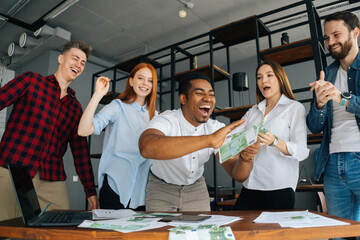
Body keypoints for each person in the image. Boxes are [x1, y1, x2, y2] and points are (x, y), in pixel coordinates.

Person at [0, 40, 99, 221]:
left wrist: (90, 191)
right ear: (61, 58)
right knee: (6, 228)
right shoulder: (30, 81)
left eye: (82, 63)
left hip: (51, 176)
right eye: (75, 58)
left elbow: (81, 153)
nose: (78, 64)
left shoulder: (75, 107)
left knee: (58, 229)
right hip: (12, 168)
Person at [139, 72, 259, 212]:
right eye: (199, 93)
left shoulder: (216, 128)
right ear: (183, 98)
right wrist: (209, 140)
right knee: (159, 232)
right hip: (161, 188)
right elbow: (146, 147)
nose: (207, 99)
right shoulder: (167, 119)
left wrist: (246, 159)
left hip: (196, 189)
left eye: (211, 94)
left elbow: (237, 174)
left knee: (200, 232)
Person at [78, 63, 157, 210]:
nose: (145, 83)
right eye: (141, 78)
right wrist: (98, 95)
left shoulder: (156, 117)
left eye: (150, 80)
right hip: (115, 186)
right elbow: (83, 130)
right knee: (110, 233)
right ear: (131, 81)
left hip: (142, 193)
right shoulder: (117, 106)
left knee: (138, 233)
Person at [233, 60, 309, 210]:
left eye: (269, 75)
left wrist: (275, 141)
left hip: (278, 189)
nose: (263, 81)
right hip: (250, 186)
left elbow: (301, 151)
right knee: (238, 231)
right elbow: (234, 136)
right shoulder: (253, 111)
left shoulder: (294, 108)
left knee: (274, 234)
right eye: (259, 77)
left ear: (280, 79)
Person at [307, 11, 360, 224]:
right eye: (327, 38)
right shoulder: (327, 74)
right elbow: (313, 126)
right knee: (338, 232)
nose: (331, 42)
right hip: (332, 163)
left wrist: (341, 97)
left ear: (355, 32)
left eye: (336, 35)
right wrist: (319, 104)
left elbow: (344, 100)